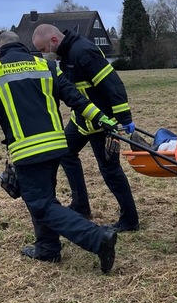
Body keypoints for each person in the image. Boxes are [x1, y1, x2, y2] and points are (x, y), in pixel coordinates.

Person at [0, 31, 118, 273]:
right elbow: (76, 99)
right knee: (44, 197)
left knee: (40, 204)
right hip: (56, 146)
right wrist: (102, 118)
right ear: (23, 46)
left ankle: (97, 238)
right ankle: (47, 248)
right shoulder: (47, 67)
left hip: (27, 150)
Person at [32, 24, 139, 232]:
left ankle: (130, 220)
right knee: (65, 153)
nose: (44, 54)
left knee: (110, 170)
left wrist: (124, 118)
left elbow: (112, 84)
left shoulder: (83, 51)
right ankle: (81, 205)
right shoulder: (67, 55)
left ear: (54, 40)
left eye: (43, 50)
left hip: (101, 122)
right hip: (81, 121)